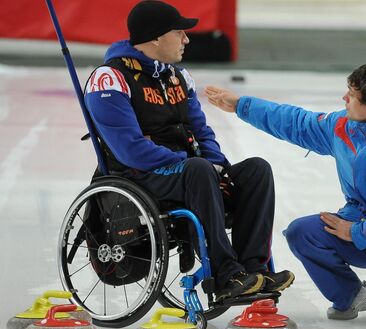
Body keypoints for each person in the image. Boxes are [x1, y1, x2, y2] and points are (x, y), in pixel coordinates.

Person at [83, 0, 294, 301]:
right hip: (141, 175)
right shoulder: (110, 80)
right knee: (198, 169)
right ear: (155, 37)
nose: (187, 39)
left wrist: (216, 162)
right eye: (179, 33)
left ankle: (253, 269)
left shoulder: (177, 76)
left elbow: (202, 131)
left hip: (190, 171)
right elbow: (130, 150)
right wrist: (190, 162)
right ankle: (226, 275)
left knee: (256, 170)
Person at [205, 63, 366, 320]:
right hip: (358, 223)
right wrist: (241, 105)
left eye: (351, 95)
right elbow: (296, 122)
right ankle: (350, 295)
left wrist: (356, 232)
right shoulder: (342, 128)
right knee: (303, 232)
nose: (344, 98)